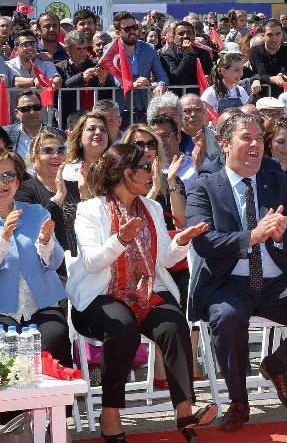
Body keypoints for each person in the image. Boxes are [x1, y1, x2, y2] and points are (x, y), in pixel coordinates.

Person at [185, 113, 287, 432]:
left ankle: (276, 363)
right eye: (246, 138)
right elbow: (203, 242)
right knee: (226, 318)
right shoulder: (204, 186)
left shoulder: (274, 180)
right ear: (225, 144)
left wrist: (282, 234)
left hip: (275, 281)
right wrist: (251, 236)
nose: (255, 145)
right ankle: (239, 401)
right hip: (228, 283)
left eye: (258, 139)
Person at [67, 143, 216, 442]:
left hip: (145, 291)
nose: (152, 173)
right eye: (146, 167)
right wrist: (120, 239)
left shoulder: (151, 207)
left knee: (173, 323)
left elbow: (164, 259)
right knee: (122, 329)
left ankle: (185, 411)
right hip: (98, 296)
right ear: (127, 173)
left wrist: (182, 242)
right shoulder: (89, 209)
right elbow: (92, 262)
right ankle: (110, 412)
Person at [0, 149, 72, 369]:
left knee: (55, 336)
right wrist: (4, 236)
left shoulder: (37, 212)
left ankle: (58, 403)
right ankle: (16, 405)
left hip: (41, 305)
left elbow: (56, 262)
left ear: (18, 182)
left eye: (9, 175)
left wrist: (46, 241)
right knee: (6, 349)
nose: (1, 182)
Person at [15, 129, 71, 254]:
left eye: (60, 150)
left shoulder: (75, 186)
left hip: (78, 263)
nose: (56, 155)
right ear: (34, 160)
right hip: (46, 262)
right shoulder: (24, 191)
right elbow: (36, 226)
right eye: (47, 151)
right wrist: (58, 197)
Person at [111, 12, 169, 124]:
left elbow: (162, 76)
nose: (132, 31)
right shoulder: (110, 50)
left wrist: (161, 85)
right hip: (121, 109)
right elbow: (112, 78)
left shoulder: (149, 48)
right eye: (127, 29)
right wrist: (131, 84)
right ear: (118, 32)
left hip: (145, 107)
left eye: (134, 27)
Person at [248, 20, 287, 96]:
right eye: (270, 35)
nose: (274, 39)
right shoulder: (255, 51)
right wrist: (273, 79)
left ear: (282, 35)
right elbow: (262, 73)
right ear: (263, 36)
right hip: (262, 94)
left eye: (278, 34)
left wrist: (281, 76)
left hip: (283, 93)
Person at [5, 90, 54, 163]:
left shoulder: (57, 135)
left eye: (36, 107)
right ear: (16, 113)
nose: (32, 112)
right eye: (26, 109)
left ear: (42, 110)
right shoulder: (5, 134)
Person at [161, 20, 213, 87]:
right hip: (178, 95)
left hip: (199, 94)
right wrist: (189, 52)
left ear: (194, 36)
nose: (185, 36)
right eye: (181, 34)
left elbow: (210, 74)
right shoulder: (167, 55)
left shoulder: (204, 53)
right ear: (174, 37)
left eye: (189, 33)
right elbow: (177, 78)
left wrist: (209, 78)